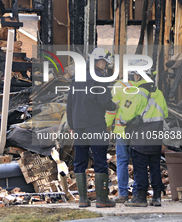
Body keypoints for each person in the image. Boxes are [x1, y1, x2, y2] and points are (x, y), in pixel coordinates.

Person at [67, 47, 117, 208]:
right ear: (100, 62)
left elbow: (69, 103)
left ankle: (83, 199)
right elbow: (104, 101)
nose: (106, 66)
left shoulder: (77, 77)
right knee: (100, 160)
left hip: (79, 126)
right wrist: (114, 106)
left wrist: (72, 125)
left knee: (80, 161)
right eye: (105, 63)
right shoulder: (99, 77)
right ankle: (102, 199)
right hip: (95, 125)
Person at [119, 60, 168, 207]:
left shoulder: (136, 93)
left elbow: (125, 116)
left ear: (139, 76)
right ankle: (157, 197)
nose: (133, 77)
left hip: (140, 138)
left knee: (140, 167)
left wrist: (122, 119)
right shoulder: (158, 93)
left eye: (134, 74)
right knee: (155, 167)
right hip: (155, 137)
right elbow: (164, 113)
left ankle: (140, 197)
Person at [105, 75, 137, 203]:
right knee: (138, 162)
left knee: (122, 162)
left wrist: (107, 125)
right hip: (137, 132)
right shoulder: (141, 87)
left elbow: (112, 109)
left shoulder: (119, 86)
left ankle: (123, 194)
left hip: (122, 131)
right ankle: (137, 193)